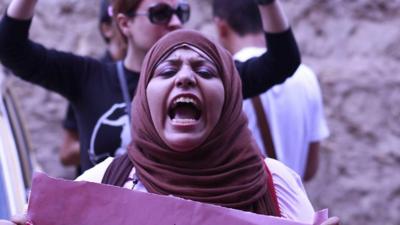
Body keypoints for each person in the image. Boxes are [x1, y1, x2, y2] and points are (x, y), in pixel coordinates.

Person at [0, 29, 339, 225]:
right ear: (144, 98)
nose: (186, 77)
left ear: (231, 96)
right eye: (167, 71)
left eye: (205, 71)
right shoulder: (106, 183)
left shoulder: (273, 185)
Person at [0, 0, 300, 172]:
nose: (174, 23)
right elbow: (10, 48)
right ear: (124, 23)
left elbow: (282, 62)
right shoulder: (89, 77)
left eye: (180, 12)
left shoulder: (206, 78)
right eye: (159, 13)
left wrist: (267, 3)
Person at [213, 0, 330, 181]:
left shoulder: (223, 80)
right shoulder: (307, 76)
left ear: (221, 27)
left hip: (244, 206)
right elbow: (310, 169)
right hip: (293, 206)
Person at [59, 0, 127, 176]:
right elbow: (66, 153)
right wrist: (113, 142)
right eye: (122, 17)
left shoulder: (152, 76)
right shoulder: (90, 77)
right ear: (107, 28)